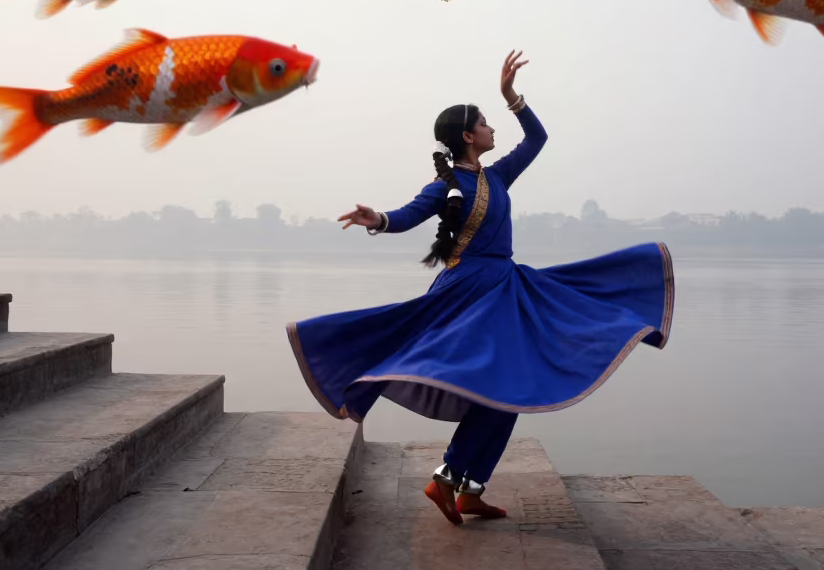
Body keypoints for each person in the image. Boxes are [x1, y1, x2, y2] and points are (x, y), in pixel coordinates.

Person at [285, 50, 675, 526]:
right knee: (500, 385)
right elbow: (407, 216)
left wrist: (513, 98)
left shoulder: (499, 175)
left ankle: (468, 487)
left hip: (505, 287)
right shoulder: (445, 186)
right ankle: (447, 477)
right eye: (487, 124)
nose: (494, 130)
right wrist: (379, 219)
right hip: (467, 294)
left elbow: (538, 137)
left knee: (509, 388)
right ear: (468, 137)